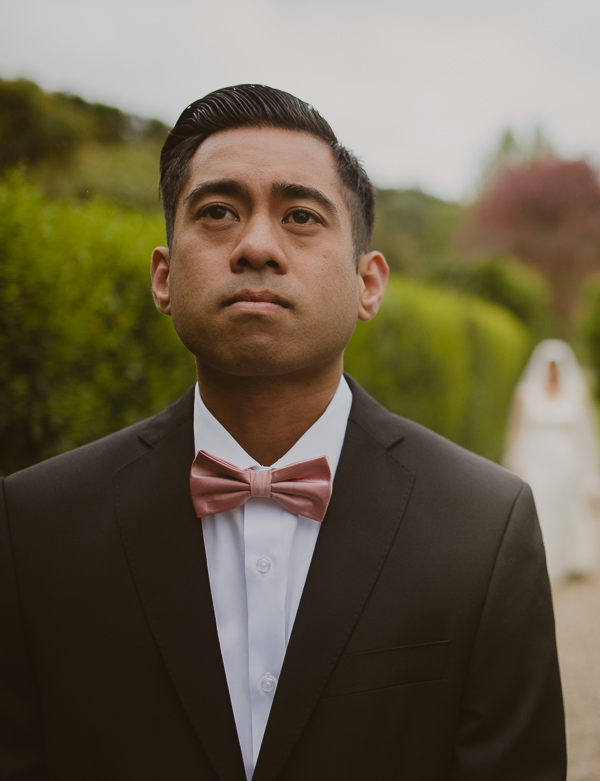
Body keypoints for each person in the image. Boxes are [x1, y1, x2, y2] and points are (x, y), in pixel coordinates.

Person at [0, 85, 566, 780]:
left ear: (369, 283)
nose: (257, 246)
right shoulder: (35, 526)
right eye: (217, 212)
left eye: (300, 215)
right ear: (164, 276)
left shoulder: (485, 525)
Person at [505, 340, 600, 585]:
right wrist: (516, 461)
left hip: (566, 460)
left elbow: (584, 433)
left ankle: (569, 557)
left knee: (566, 505)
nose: (552, 370)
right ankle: (541, 562)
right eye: (548, 365)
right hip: (536, 459)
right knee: (540, 505)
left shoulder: (576, 394)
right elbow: (519, 431)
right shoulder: (526, 393)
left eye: (556, 365)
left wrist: (588, 467)